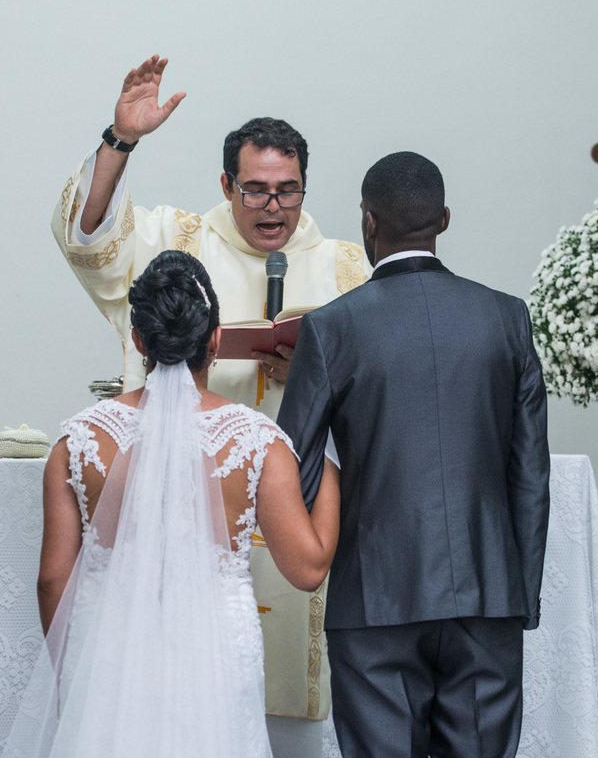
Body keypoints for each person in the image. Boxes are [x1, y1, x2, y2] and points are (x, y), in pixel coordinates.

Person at [51, 54, 372, 751]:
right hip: (179, 527)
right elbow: (90, 242)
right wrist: (120, 139)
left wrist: (319, 373)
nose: (273, 207)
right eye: (255, 190)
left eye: (287, 190)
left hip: (298, 507)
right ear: (226, 185)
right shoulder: (179, 241)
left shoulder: (348, 267)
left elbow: (378, 386)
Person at [4, 251, 340, 758]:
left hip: (106, 652)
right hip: (216, 654)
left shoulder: (76, 442)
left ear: (139, 340)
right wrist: (330, 457)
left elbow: (52, 581)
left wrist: (73, 672)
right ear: (215, 340)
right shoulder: (259, 442)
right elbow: (308, 568)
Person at [277, 152, 551, 758]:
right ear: (444, 219)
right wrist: (519, 596)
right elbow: (531, 472)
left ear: (368, 221)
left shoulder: (331, 328)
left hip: (374, 596)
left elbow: (292, 469)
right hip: (489, 597)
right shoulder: (507, 317)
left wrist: (349, 520)